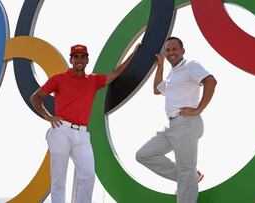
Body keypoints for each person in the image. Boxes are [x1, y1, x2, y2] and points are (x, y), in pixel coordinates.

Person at [30, 43, 141, 203]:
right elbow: (36, 97)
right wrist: (48, 117)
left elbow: (116, 73)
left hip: (82, 134)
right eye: (76, 57)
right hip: (61, 130)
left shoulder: (93, 80)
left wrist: (134, 53)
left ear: (87, 60)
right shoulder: (58, 79)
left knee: (88, 175)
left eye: (82, 57)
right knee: (59, 179)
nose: (79, 60)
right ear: (71, 60)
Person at [136, 37, 216, 203]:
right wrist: (160, 66)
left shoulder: (190, 66)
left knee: (186, 172)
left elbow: (211, 81)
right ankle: (191, 176)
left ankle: (189, 177)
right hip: (174, 126)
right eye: (168, 50)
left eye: (175, 49)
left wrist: (199, 108)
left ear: (182, 51)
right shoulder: (173, 74)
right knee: (144, 155)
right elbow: (157, 89)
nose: (171, 53)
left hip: (186, 123)